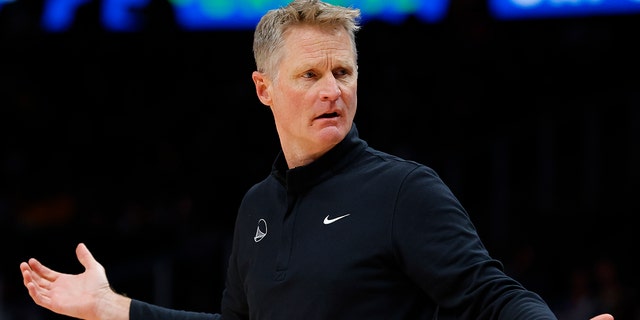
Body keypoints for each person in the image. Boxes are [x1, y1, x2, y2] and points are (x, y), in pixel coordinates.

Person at [19, 0, 615, 319]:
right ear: (264, 89)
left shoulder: (404, 190)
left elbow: (491, 296)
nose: (333, 89)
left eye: (343, 71)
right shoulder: (255, 206)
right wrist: (112, 308)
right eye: (310, 74)